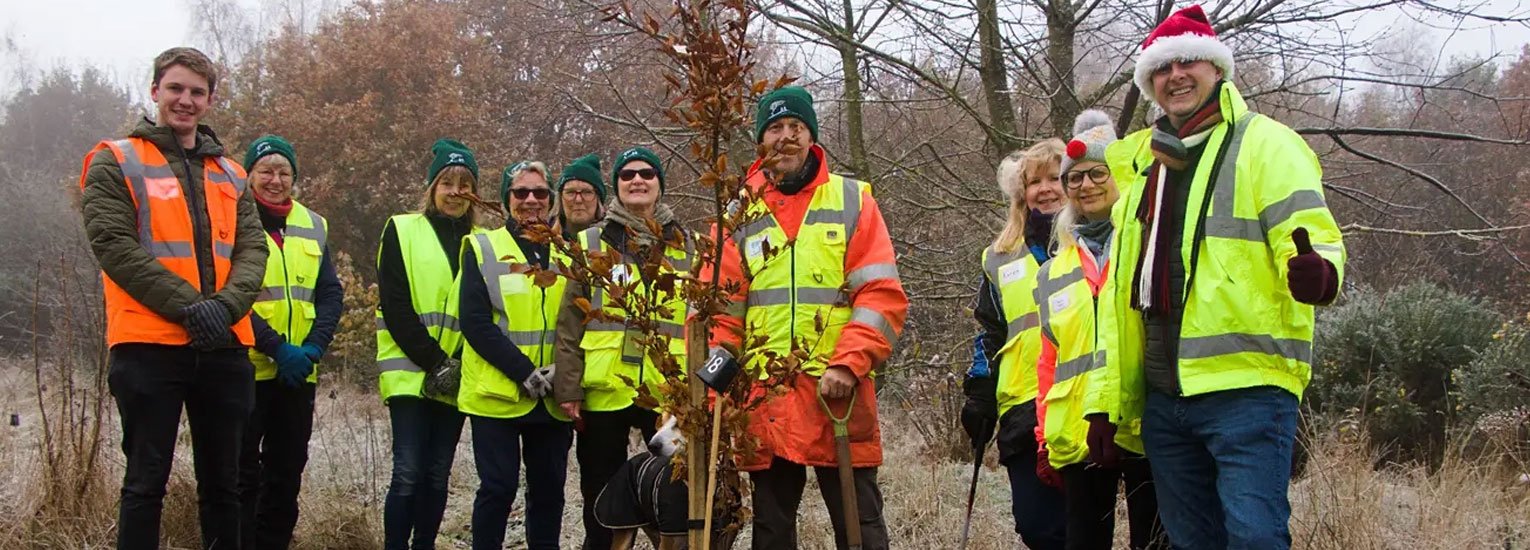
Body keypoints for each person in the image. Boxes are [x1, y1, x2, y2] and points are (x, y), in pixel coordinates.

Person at [1099, 6, 1346, 549]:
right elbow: (1117, 295)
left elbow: (1311, 231)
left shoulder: (1266, 143)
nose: (1175, 75)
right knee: (1190, 543)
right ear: (1150, 83)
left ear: (1217, 69)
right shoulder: (1145, 164)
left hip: (1247, 388)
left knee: (1255, 539)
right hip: (1164, 395)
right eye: (1162, 69)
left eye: (1188, 62)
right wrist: (1107, 401)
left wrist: (1321, 272)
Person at [78, 46, 268, 550]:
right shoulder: (115, 160)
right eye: (176, 88)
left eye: (197, 92)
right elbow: (114, 246)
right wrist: (190, 306)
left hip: (224, 346)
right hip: (148, 346)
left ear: (209, 100)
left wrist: (223, 309)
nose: (185, 100)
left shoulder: (232, 174)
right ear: (155, 91)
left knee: (226, 486)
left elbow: (253, 251)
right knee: (145, 484)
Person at [707, 86, 908, 550]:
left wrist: (848, 364)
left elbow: (880, 295)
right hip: (766, 401)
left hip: (839, 396)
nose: (786, 136)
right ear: (761, 141)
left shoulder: (854, 200)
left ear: (811, 135)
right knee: (772, 531)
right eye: (775, 127)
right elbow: (720, 313)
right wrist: (716, 385)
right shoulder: (737, 212)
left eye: (796, 126)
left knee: (860, 529)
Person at [1034, 111, 1166, 550]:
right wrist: (1042, 438)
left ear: (1119, 176)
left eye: (1097, 173)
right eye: (1075, 178)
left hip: (1144, 422)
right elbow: (1049, 361)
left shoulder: (1149, 244)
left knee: (1154, 540)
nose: (1085, 185)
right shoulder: (1054, 271)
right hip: (1079, 430)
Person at [552, 147, 694, 550]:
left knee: (675, 494)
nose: (637, 180)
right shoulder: (590, 243)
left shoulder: (689, 246)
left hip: (667, 395)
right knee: (602, 498)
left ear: (660, 184)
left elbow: (702, 323)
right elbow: (569, 324)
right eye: (627, 174)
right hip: (605, 390)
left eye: (647, 173)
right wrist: (569, 387)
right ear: (615, 186)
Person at [457, 160, 572, 550]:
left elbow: (578, 323)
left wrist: (562, 370)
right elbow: (475, 322)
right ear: (507, 199)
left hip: (551, 396)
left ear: (551, 199)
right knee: (498, 488)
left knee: (549, 491)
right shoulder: (483, 248)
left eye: (540, 192)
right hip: (497, 394)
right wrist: (523, 371)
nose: (531, 200)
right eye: (520, 192)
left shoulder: (569, 252)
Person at [960, 138, 1068, 550]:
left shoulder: (1091, 241)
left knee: (1082, 526)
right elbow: (990, 331)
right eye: (1034, 181)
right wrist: (979, 393)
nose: (1045, 189)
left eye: (1054, 178)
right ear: (1021, 192)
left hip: (1081, 400)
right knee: (1035, 526)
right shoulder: (999, 257)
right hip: (1023, 403)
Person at [376, 138, 484, 550]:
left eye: (464, 184)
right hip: (410, 371)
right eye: (447, 183)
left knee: (438, 473)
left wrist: (456, 364)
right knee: (407, 471)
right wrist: (436, 362)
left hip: (459, 374)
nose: (455, 192)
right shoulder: (402, 229)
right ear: (432, 187)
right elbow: (395, 305)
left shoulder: (484, 240)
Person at [237, 135, 344, 550]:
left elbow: (329, 293)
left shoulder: (313, 224)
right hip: (245, 369)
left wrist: (313, 349)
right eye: (266, 171)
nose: (275, 180)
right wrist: (275, 348)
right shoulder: (232, 220)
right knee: (241, 474)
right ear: (250, 175)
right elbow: (228, 295)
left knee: (286, 472)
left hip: (298, 373)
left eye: (284, 172)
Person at [554, 153, 608, 239]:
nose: (578, 200)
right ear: (560, 199)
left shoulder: (616, 241)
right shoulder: (543, 240)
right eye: (571, 192)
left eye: (587, 192)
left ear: (598, 199)